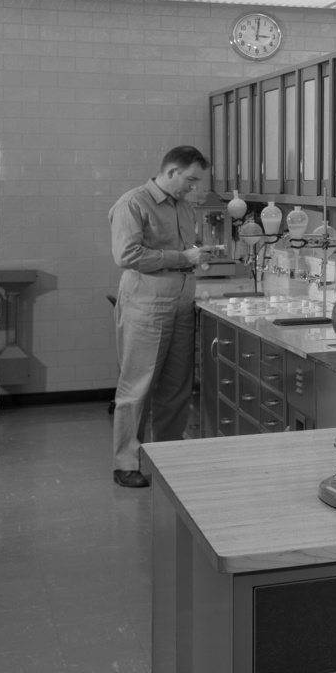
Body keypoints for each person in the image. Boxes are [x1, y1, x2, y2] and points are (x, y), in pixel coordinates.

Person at [109, 146, 210, 488]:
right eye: (190, 180)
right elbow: (127, 255)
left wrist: (197, 254)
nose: (193, 187)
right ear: (171, 172)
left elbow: (184, 249)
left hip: (181, 304)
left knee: (176, 387)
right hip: (146, 307)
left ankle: (167, 455)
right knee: (137, 387)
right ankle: (126, 463)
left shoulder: (184, 206)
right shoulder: (133, 203)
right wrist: (182, 258)